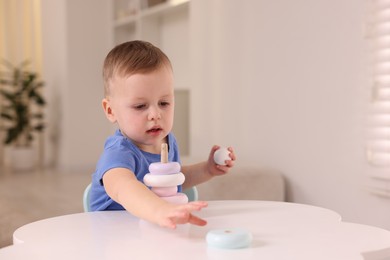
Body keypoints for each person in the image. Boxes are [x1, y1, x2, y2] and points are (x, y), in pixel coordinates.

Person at [90, 40, 236, 229]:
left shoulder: (167, 142)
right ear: (110, 111)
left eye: (164, 103)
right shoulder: (119, 152)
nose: (155, 114)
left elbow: (172, 180)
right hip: (114, 233)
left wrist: (207, 169)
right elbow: (124, 188)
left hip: (151, 227)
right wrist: (160, 210)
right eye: (140, 106)